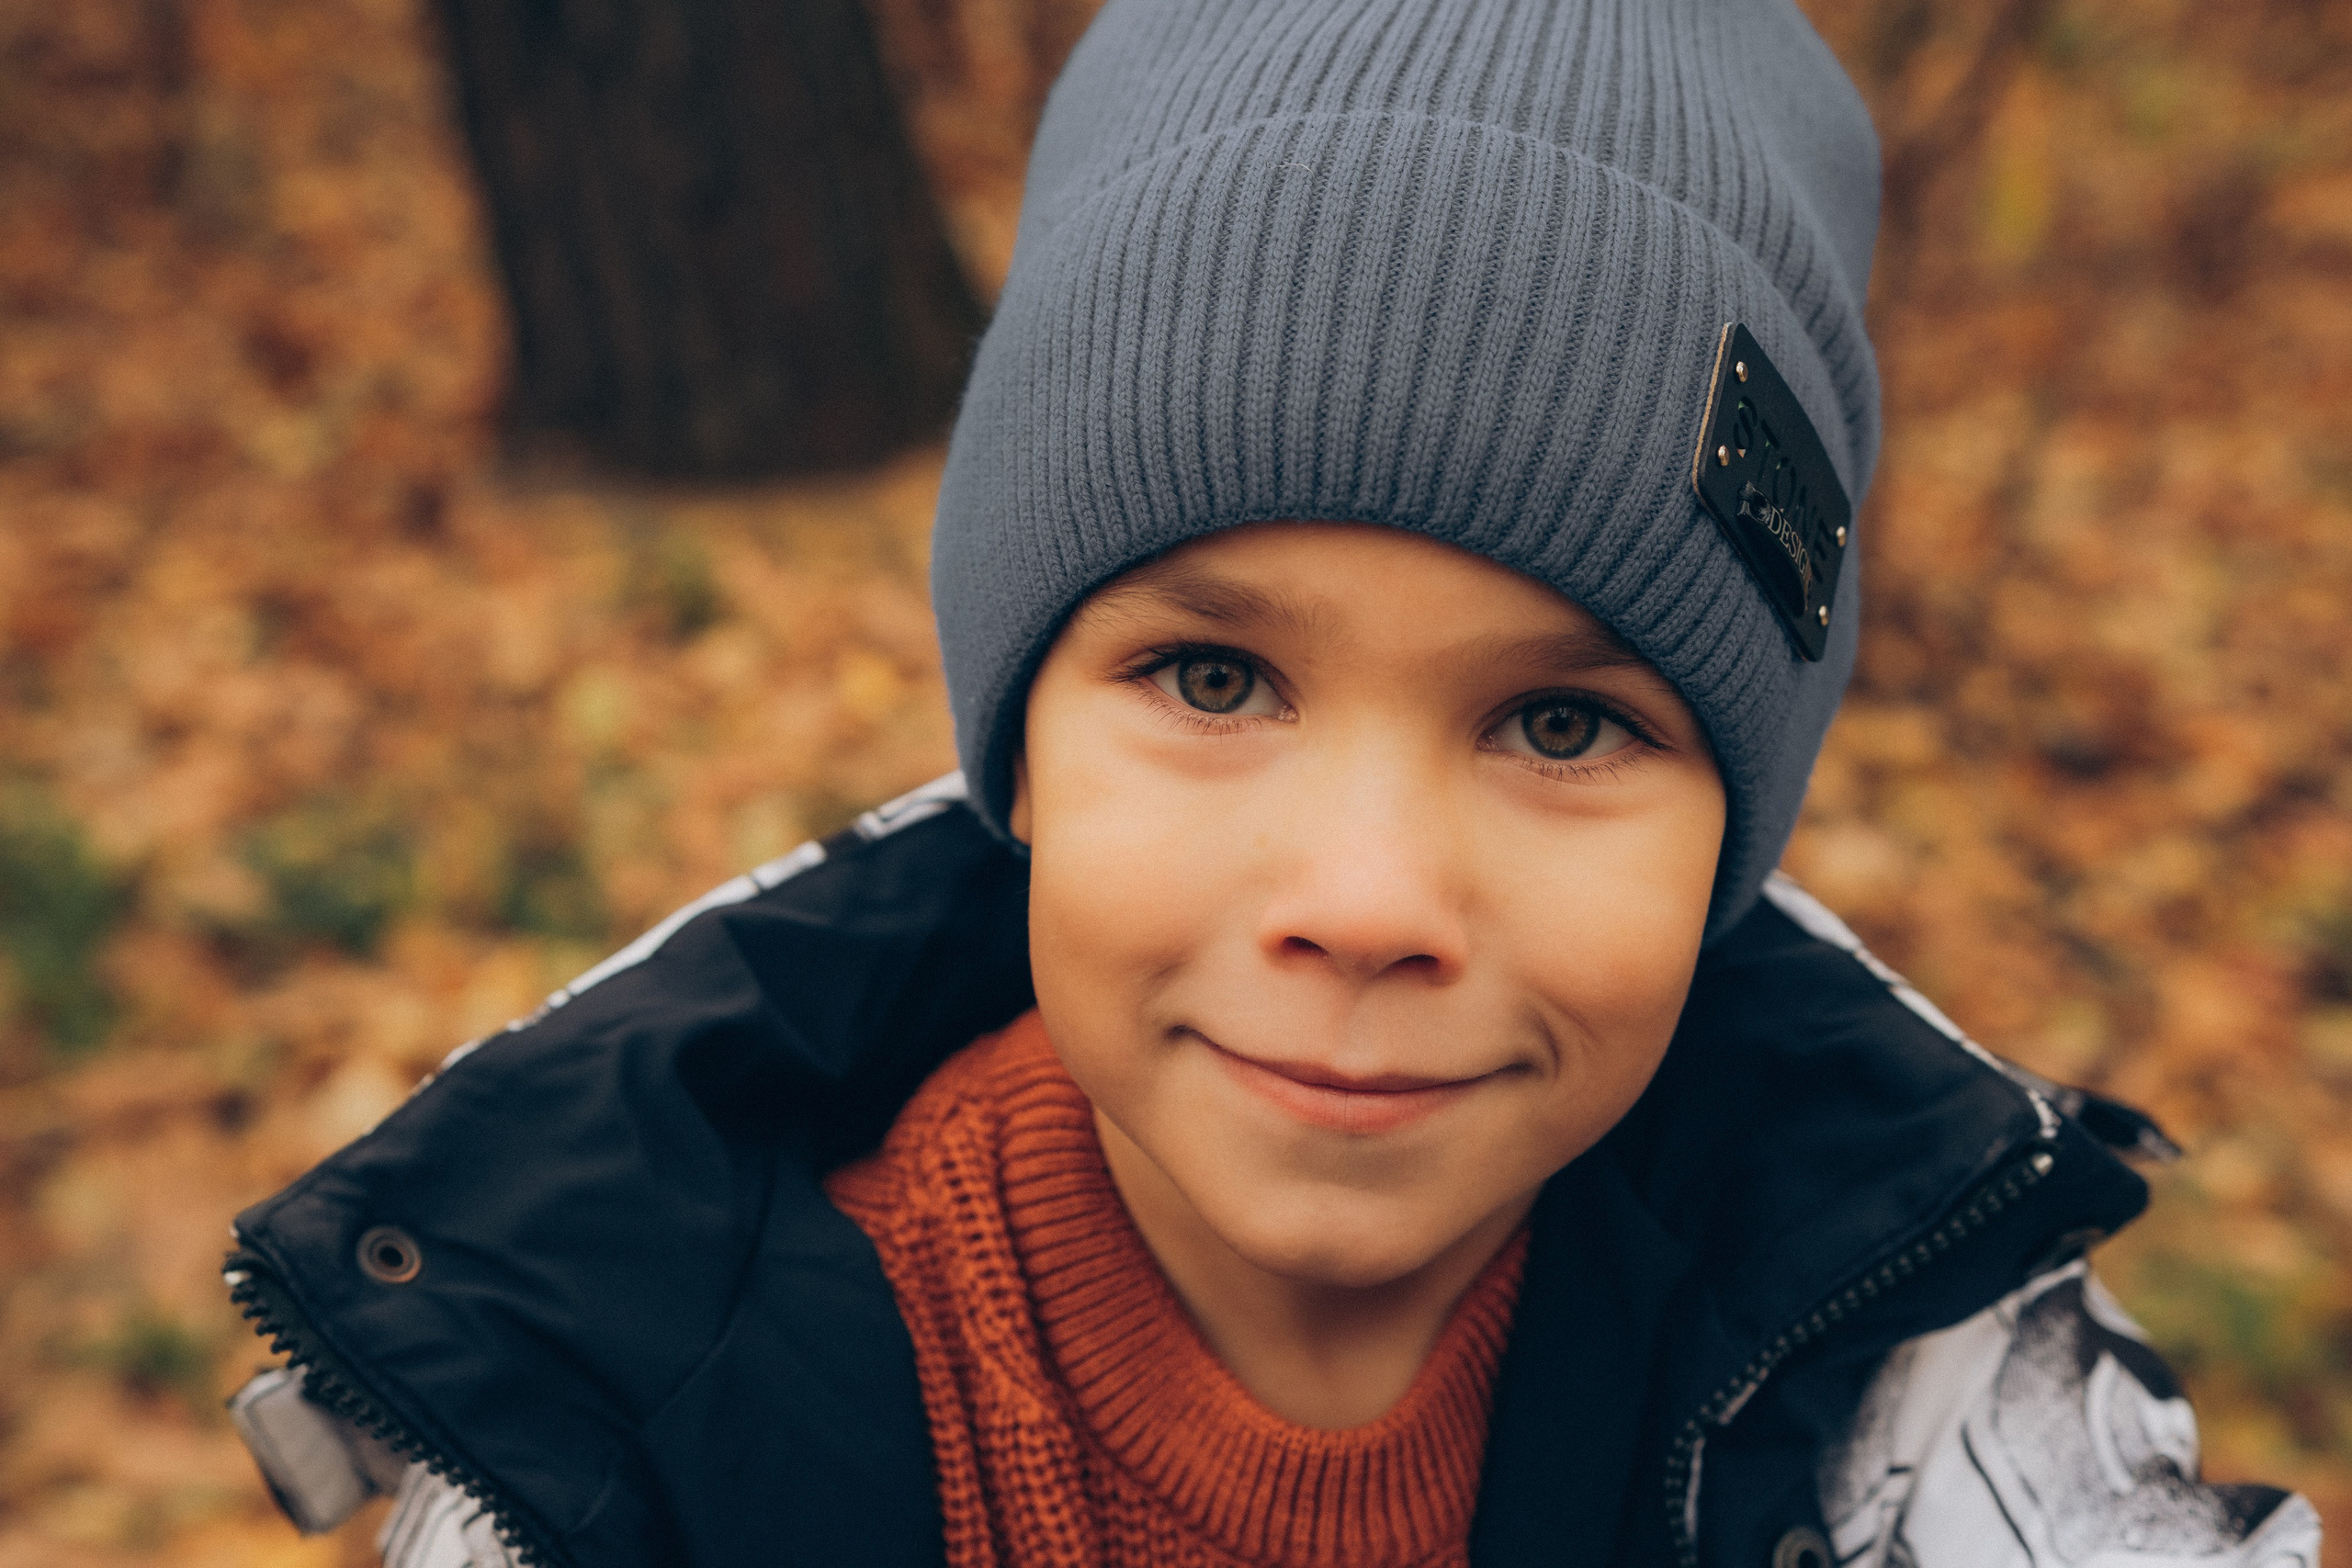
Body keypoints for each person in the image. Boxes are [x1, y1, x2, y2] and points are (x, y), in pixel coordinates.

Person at [220, 0, 2323, 1564]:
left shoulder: (1918, 1373)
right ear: (1016, 746)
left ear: (1728, 840)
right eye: (1212, 674)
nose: (1367, 890)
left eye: (1562, 722)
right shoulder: (637, 1426)